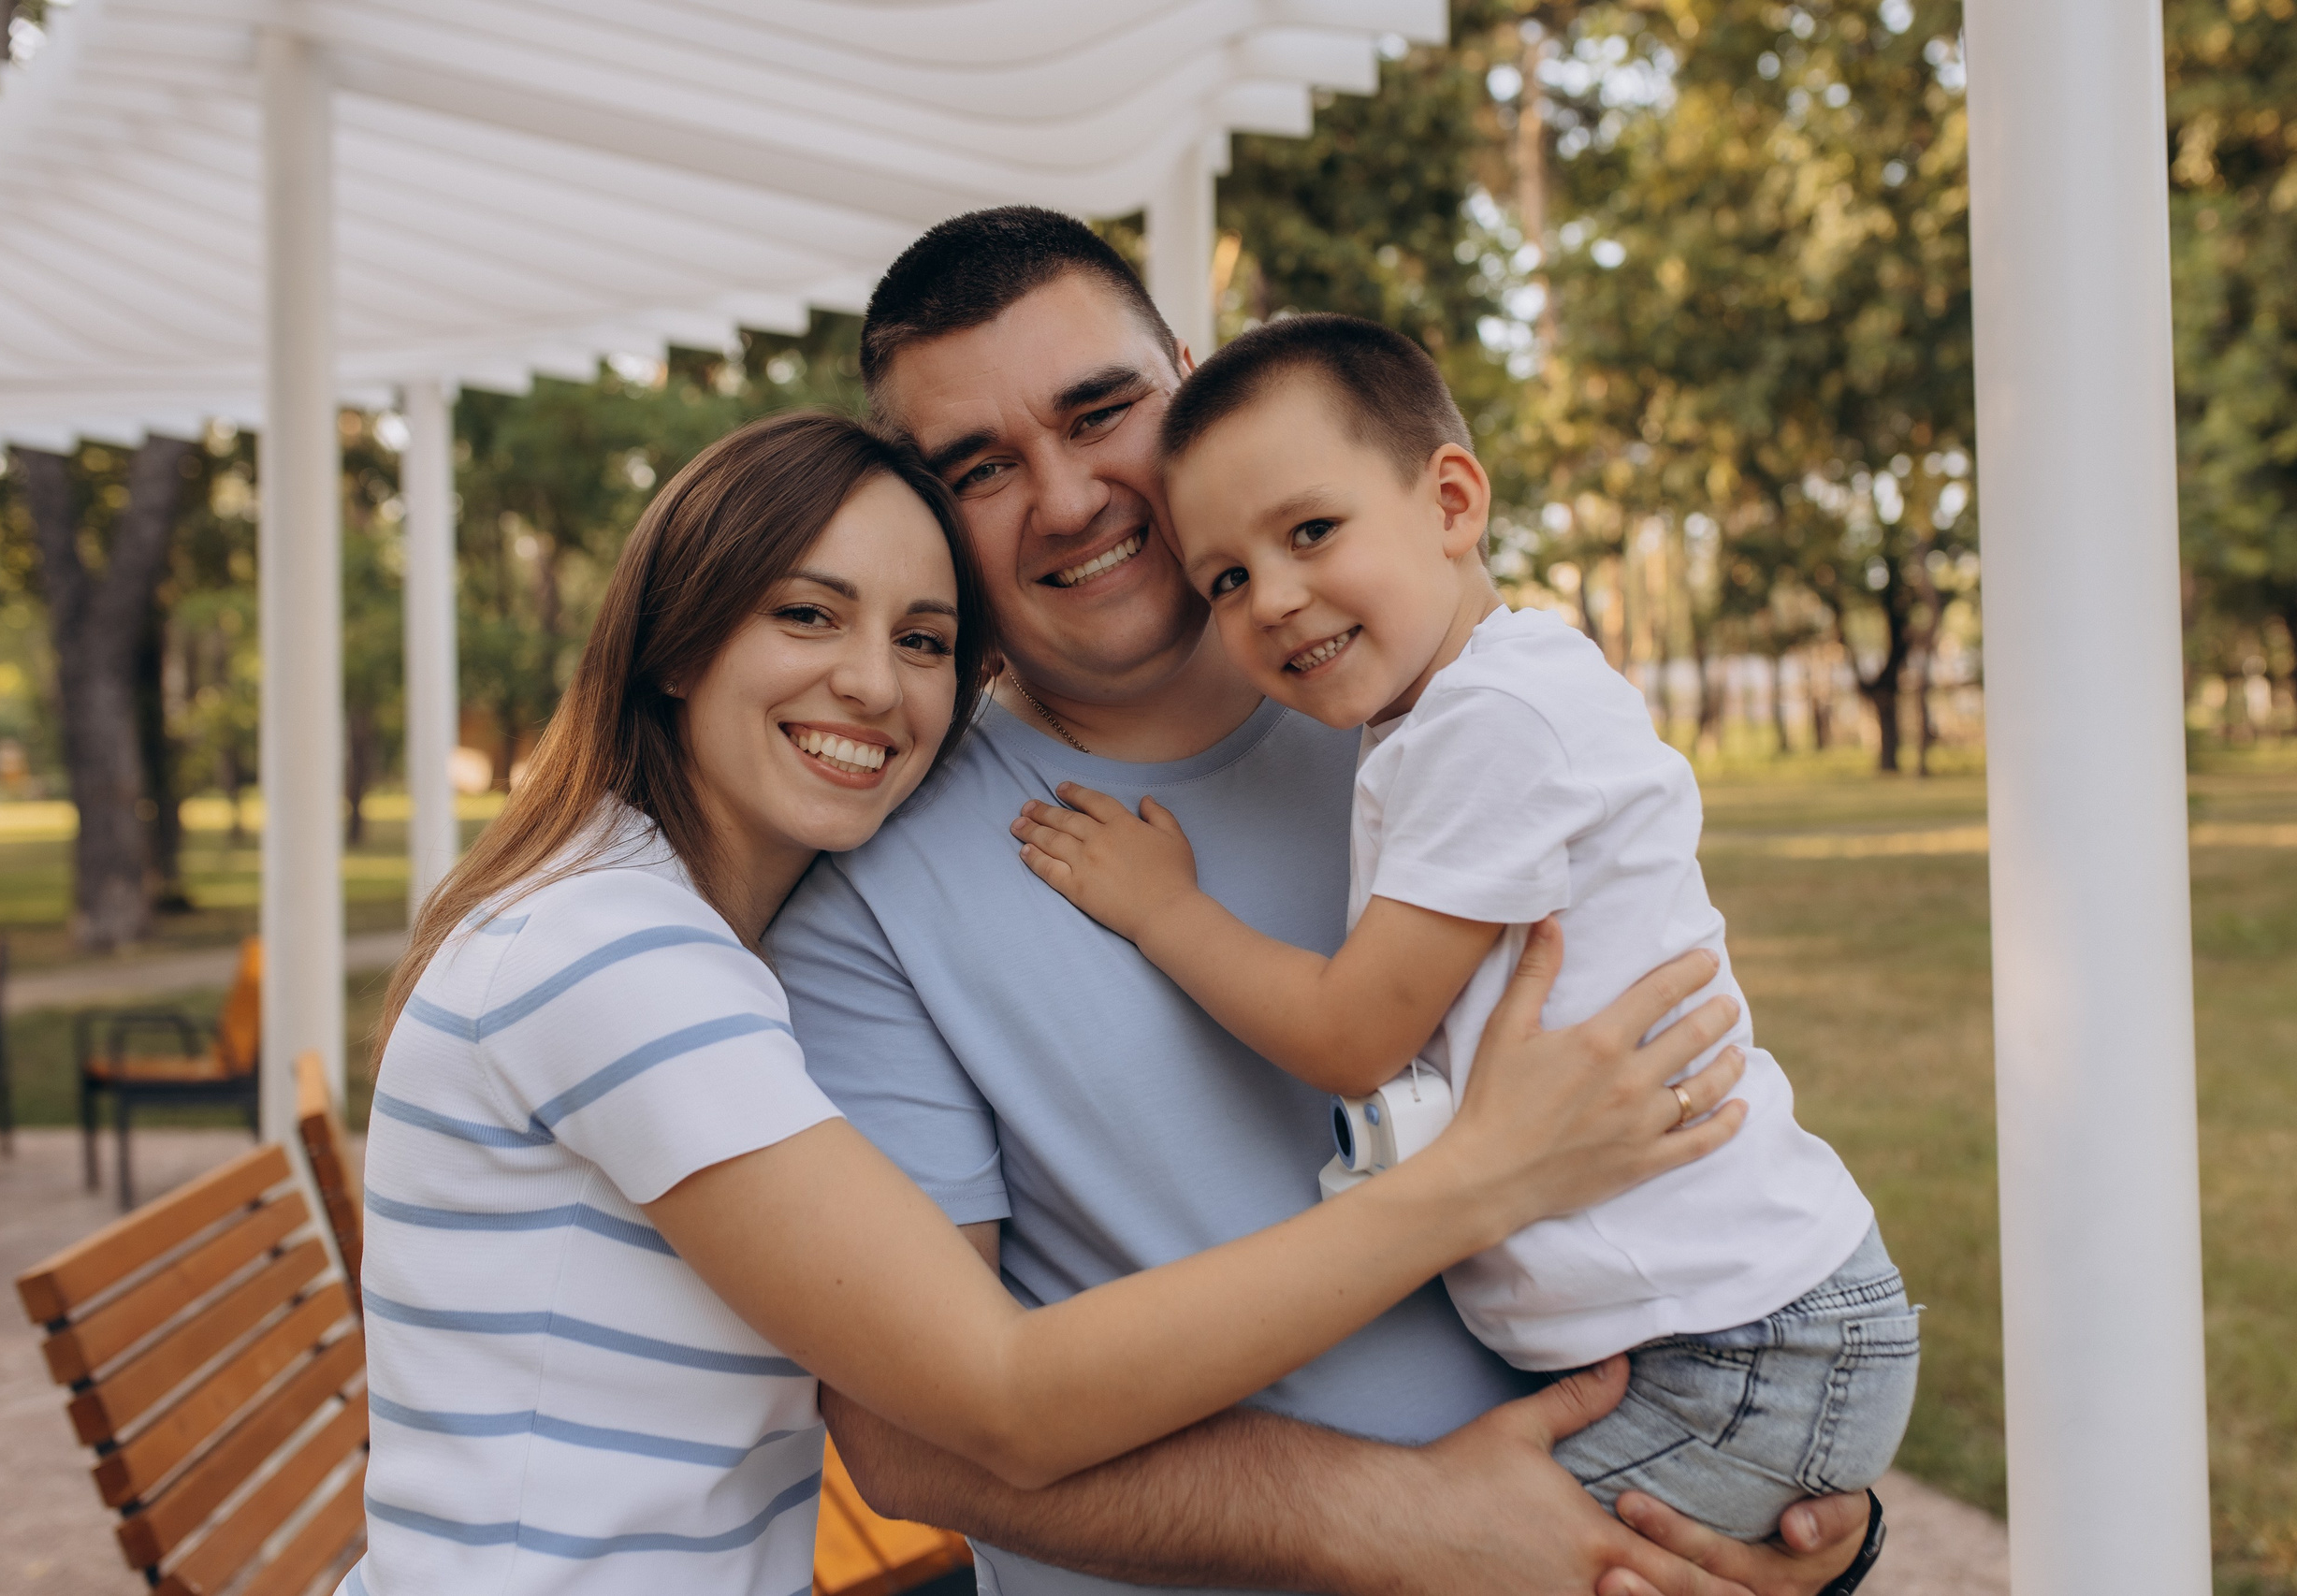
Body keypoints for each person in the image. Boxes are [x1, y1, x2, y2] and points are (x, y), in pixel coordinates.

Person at [349, 412, 1744, 1596]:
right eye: (806, 613)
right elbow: (998, 1394)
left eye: (924, 636)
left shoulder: (651, 929)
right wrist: (1475, 1180)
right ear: (676, 639)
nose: (871, 681)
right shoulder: (616, 956)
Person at [770, 207, 1880, 1595]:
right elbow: (912, 1440)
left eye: (1101, 409)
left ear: (1191, 380)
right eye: (980, 468)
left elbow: (1689, 1124)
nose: (1064, 500)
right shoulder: (867, 888)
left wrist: (1779, 1509)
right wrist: (1384, 1517)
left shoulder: (1428, 720)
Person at [1011, 312, 1919, 1542]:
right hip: (1714, 1328)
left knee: (1476, 1558)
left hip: (1737, 1340)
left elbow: (1351, 1033)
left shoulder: (1496, 722)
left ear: (1451, 502)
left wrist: (1164, 910)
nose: (1273, 597)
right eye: (1225, 576)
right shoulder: (1446, 713)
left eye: (1311, 531)